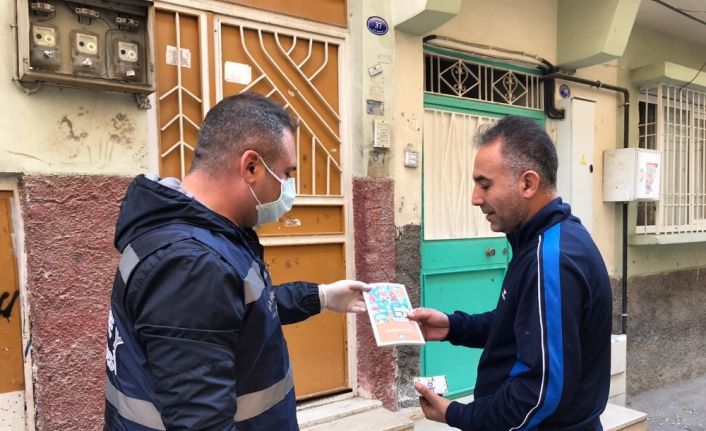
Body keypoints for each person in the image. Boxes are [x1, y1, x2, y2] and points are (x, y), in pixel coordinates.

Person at [104, 92, 369, 430]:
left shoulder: (205, 236)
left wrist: (322, 296)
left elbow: (237, 310)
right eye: (286, 173)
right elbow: (202, 422)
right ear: (251, 167)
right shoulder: (190, 264)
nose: (289, 187)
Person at [409, 116, 612, 430]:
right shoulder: (544, 240)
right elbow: (520, 327)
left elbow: (537, 395)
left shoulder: (551, 258)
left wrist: (456, 414)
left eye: (485, 185)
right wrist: (454, 326)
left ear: (528, 183)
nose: (475, 198)